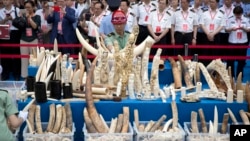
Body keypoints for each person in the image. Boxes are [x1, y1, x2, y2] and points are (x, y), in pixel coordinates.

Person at [225, 6, 250, 78]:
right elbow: (226, 30)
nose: (237, 16)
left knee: (241, 61)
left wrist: (244, 28)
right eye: (236, 14)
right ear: (234, 13)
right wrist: (231, 29)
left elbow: (249, 29)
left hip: (243, 42)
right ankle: (230, 76)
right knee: (230, 61)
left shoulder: (246, 19)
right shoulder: (230, 19)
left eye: (239, 14)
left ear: (241, 13)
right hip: (232, 41)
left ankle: (239, 76)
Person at [0, 0, 22, 80]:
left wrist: (12, 19)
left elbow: (20, 22)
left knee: (16, 53)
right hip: (3, 31)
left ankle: (17, 74)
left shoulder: (16, 10)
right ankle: (5, 73)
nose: (5, 1)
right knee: (4, 54)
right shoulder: (1, 11)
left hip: (14, 32)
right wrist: (5, 19)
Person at [200, 0, 225, 65]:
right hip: (206, 35)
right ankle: (205, 71)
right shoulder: (204, 13)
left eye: (213, 2)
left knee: (215, 54)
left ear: (217, 3)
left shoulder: (221, 13)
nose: (211, 3)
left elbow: (222, 25)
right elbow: (202, 24)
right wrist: (208, 34)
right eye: (210, 2)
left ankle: (214, 73)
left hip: (216, 36)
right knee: (205, 54)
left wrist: (213, 34)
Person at [20, 0, 41, 79]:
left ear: (33, 7)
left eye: (29, 7)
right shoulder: (22, 17)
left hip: (33, 39)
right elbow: (19, 26)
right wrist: (21, 17)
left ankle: (34, 76)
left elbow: (35, 27)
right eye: (25, 8)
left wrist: (29, 18)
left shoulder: (37, 17)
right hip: (23, 39)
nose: (27, 9)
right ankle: (25, 77)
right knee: (24, 59)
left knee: (34, 59)